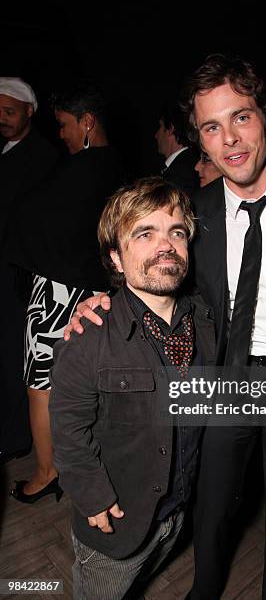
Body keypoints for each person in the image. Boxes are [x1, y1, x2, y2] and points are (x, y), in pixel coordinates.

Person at [66, 54, 266, 599]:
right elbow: (160, 271)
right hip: (219, 383)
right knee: (209, 511)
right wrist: (104, 300)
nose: (230, 139)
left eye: (242, 117)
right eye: (212, 126)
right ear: (201, 140)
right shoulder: (197, 213)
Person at [49, 177, 215, 600]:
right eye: (144, 233)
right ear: (117, 259)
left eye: (176, 232)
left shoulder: (209, 324)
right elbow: (68, 428)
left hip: (176, 510)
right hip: (116, 528)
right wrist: (92, 497)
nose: (166, 245)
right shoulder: (88, 338)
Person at [5, 81, 123, 502]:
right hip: (98, 295)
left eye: (65, 125)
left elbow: (28, 218)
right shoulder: (118, 167)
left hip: (58, 293)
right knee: (84, 385)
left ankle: (45, 472)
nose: (62, 134)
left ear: (87, 122)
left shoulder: (80, 168)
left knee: (40, 384)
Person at [0, 77, 59, 466]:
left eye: (9, 112)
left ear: (29, 112)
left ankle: (14, 439)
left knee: (11, 358)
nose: (2, 119)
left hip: (17, 275)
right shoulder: (4, 149)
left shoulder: (44, 158)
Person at [155, 101, 199, 194]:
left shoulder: (181, 174)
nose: (156, 135)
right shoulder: (188, 162)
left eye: (159, 127)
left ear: (170, 129)